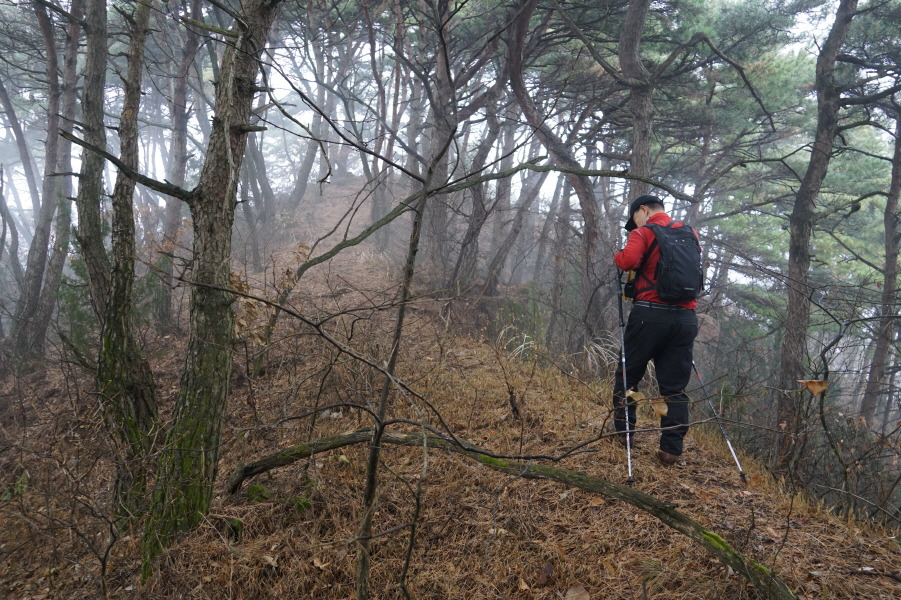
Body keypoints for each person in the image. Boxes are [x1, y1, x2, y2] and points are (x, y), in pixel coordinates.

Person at [613, 194, 699, 466]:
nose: (634, 225)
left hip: (649, 316)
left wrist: (618, 255)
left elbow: (627, 261)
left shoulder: (644, 232)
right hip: (685, 318)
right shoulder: (690, 233)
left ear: (643, 210)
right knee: (675, 387)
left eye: (634, 219)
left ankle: (625, 434)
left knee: (627, 375)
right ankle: (671, 450)